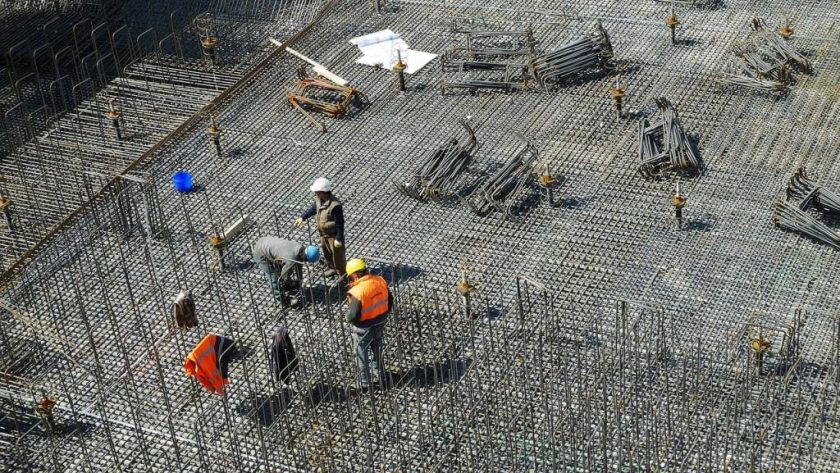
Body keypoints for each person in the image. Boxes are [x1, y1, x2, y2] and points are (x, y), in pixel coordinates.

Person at [344, 258, 392, 390]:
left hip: (363, 328)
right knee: (378, 350)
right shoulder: (380, 280)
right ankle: (382, 377)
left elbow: (352, 315)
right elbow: (390, 301)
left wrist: (348, 318)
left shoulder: (358, 291)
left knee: (361, 353)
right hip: (380, 322)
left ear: (354, 275)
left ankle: (364, 383)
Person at [295, 178, 346, 277]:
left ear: (322, 192)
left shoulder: (335, 205)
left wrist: (339, 238)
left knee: (338, 256)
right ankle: (332, 269)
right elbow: (313, 209)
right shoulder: (319, 200)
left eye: (317, 192)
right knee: (327, 253)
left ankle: (342, 273)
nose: (315, 194)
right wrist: (302, 217)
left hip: (333, 236)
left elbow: (340, 223)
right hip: (323, 234)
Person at [252, 236, 319, 307]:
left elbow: (299, 263)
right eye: (307, 260)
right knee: (274, 277)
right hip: (260, 252)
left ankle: (285, 286)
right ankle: (282, 299)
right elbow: (284, 276)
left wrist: (300, 279)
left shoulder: (299, 248)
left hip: (265, 241)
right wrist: (292, 284)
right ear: (305, 257)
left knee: (282, 269)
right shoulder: (291, 259)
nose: (306, 262)